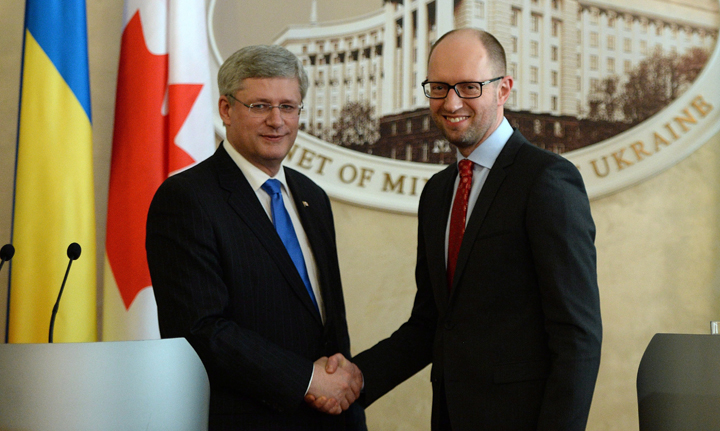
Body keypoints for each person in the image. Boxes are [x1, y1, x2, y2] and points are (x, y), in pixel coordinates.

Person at [311, 28, 603, 430]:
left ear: (504, 89)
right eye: (439, 87)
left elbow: (578, 337)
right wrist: (356, 378)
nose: (451, 102)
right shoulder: (437, 192)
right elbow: (431, 323)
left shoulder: (547, 181)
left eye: (469, 86)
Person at [146, 45, 366, 431]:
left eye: (289, 106)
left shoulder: (312, 197)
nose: (277, 121)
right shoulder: (186, 199)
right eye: (260, 106)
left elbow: (328, 326)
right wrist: (307, 380)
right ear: (226, 110)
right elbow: (202, 329)